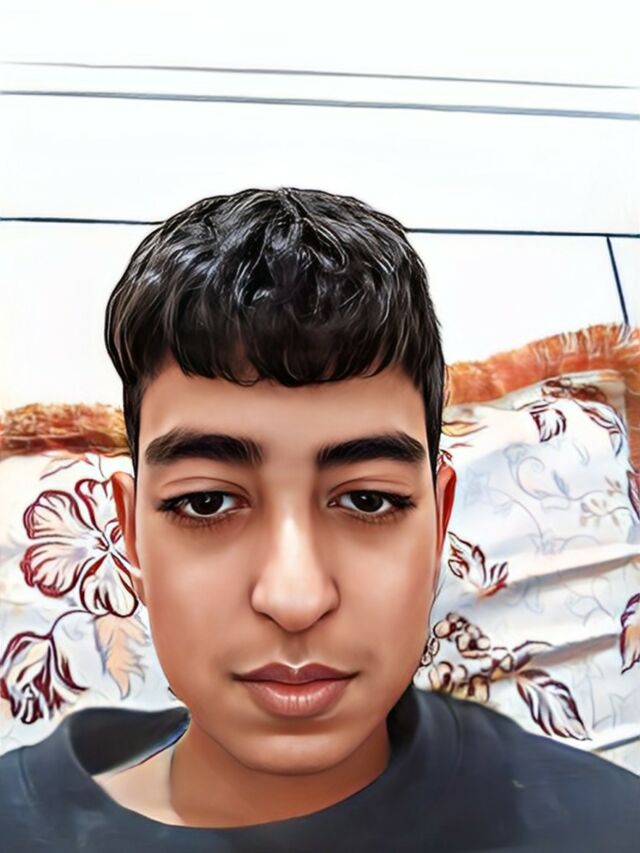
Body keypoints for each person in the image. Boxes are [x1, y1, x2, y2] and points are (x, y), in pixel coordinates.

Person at [0, 187, 637, 852]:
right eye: (207, 502)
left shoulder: (607, 827)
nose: (295, 599)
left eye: (368, 500)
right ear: (131, 539)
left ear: (439, 524)